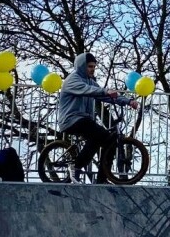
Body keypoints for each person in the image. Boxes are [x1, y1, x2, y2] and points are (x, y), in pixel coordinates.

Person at [56, 53, 137, 183]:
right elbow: (87, 90)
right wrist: (105, 91)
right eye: (89, 66)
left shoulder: (90, 82)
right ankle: (76, 167)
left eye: (94, 66)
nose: (92, 69)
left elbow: (106, 96)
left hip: (84, 119)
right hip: (70, 119)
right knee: (99, 135)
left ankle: (102, 179)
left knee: (109, 141)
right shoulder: (72, 80)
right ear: (82, 66)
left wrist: (127, 101)